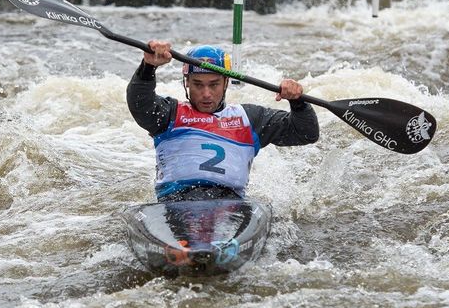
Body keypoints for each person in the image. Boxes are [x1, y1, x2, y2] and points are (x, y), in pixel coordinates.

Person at [127, 41, 319, 203]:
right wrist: (148, 67)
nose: (206, 93)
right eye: (198, 84)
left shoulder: (249, 119)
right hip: (176, 202)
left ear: (226, 82)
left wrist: (297, 102)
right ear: (187, 83)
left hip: (230, 205)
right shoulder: (168, 114)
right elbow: (139, 103)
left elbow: (305, 132)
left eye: (214, 84)